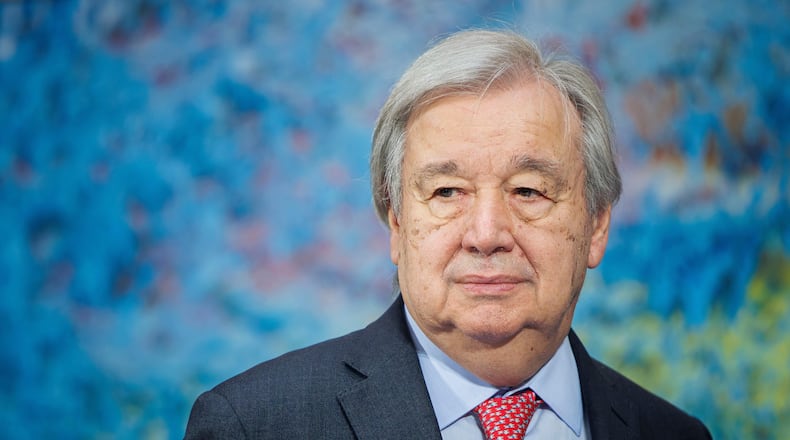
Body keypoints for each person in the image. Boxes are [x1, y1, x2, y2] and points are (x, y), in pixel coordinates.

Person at [184, 29, 712, 439]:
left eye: (528, 191)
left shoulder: (674, 435)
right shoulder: (255, 426)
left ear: (596, 224)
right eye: (447, 192)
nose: (486, 234)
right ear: (397, 223)